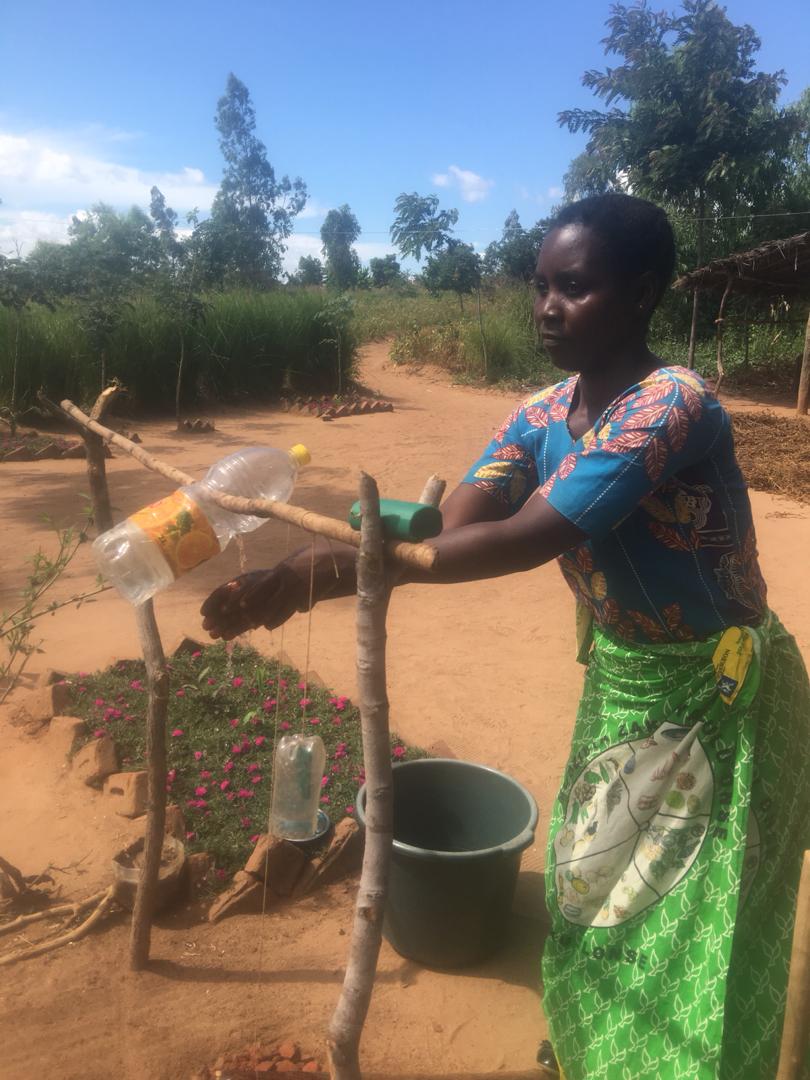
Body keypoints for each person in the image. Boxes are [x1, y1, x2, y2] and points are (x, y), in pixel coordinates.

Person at [201, 193, 810, 1080]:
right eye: (540, 288)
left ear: (640, 295)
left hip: (721, 696)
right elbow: (443, 527)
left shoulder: (670, 406)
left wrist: (311, 576)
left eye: (575, 287)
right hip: (629, 683)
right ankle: (596, 1045)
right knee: (594, 881)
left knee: (691, 912)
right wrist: (306, 572)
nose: (547, 308)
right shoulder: (539, 414)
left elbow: (529, 538)